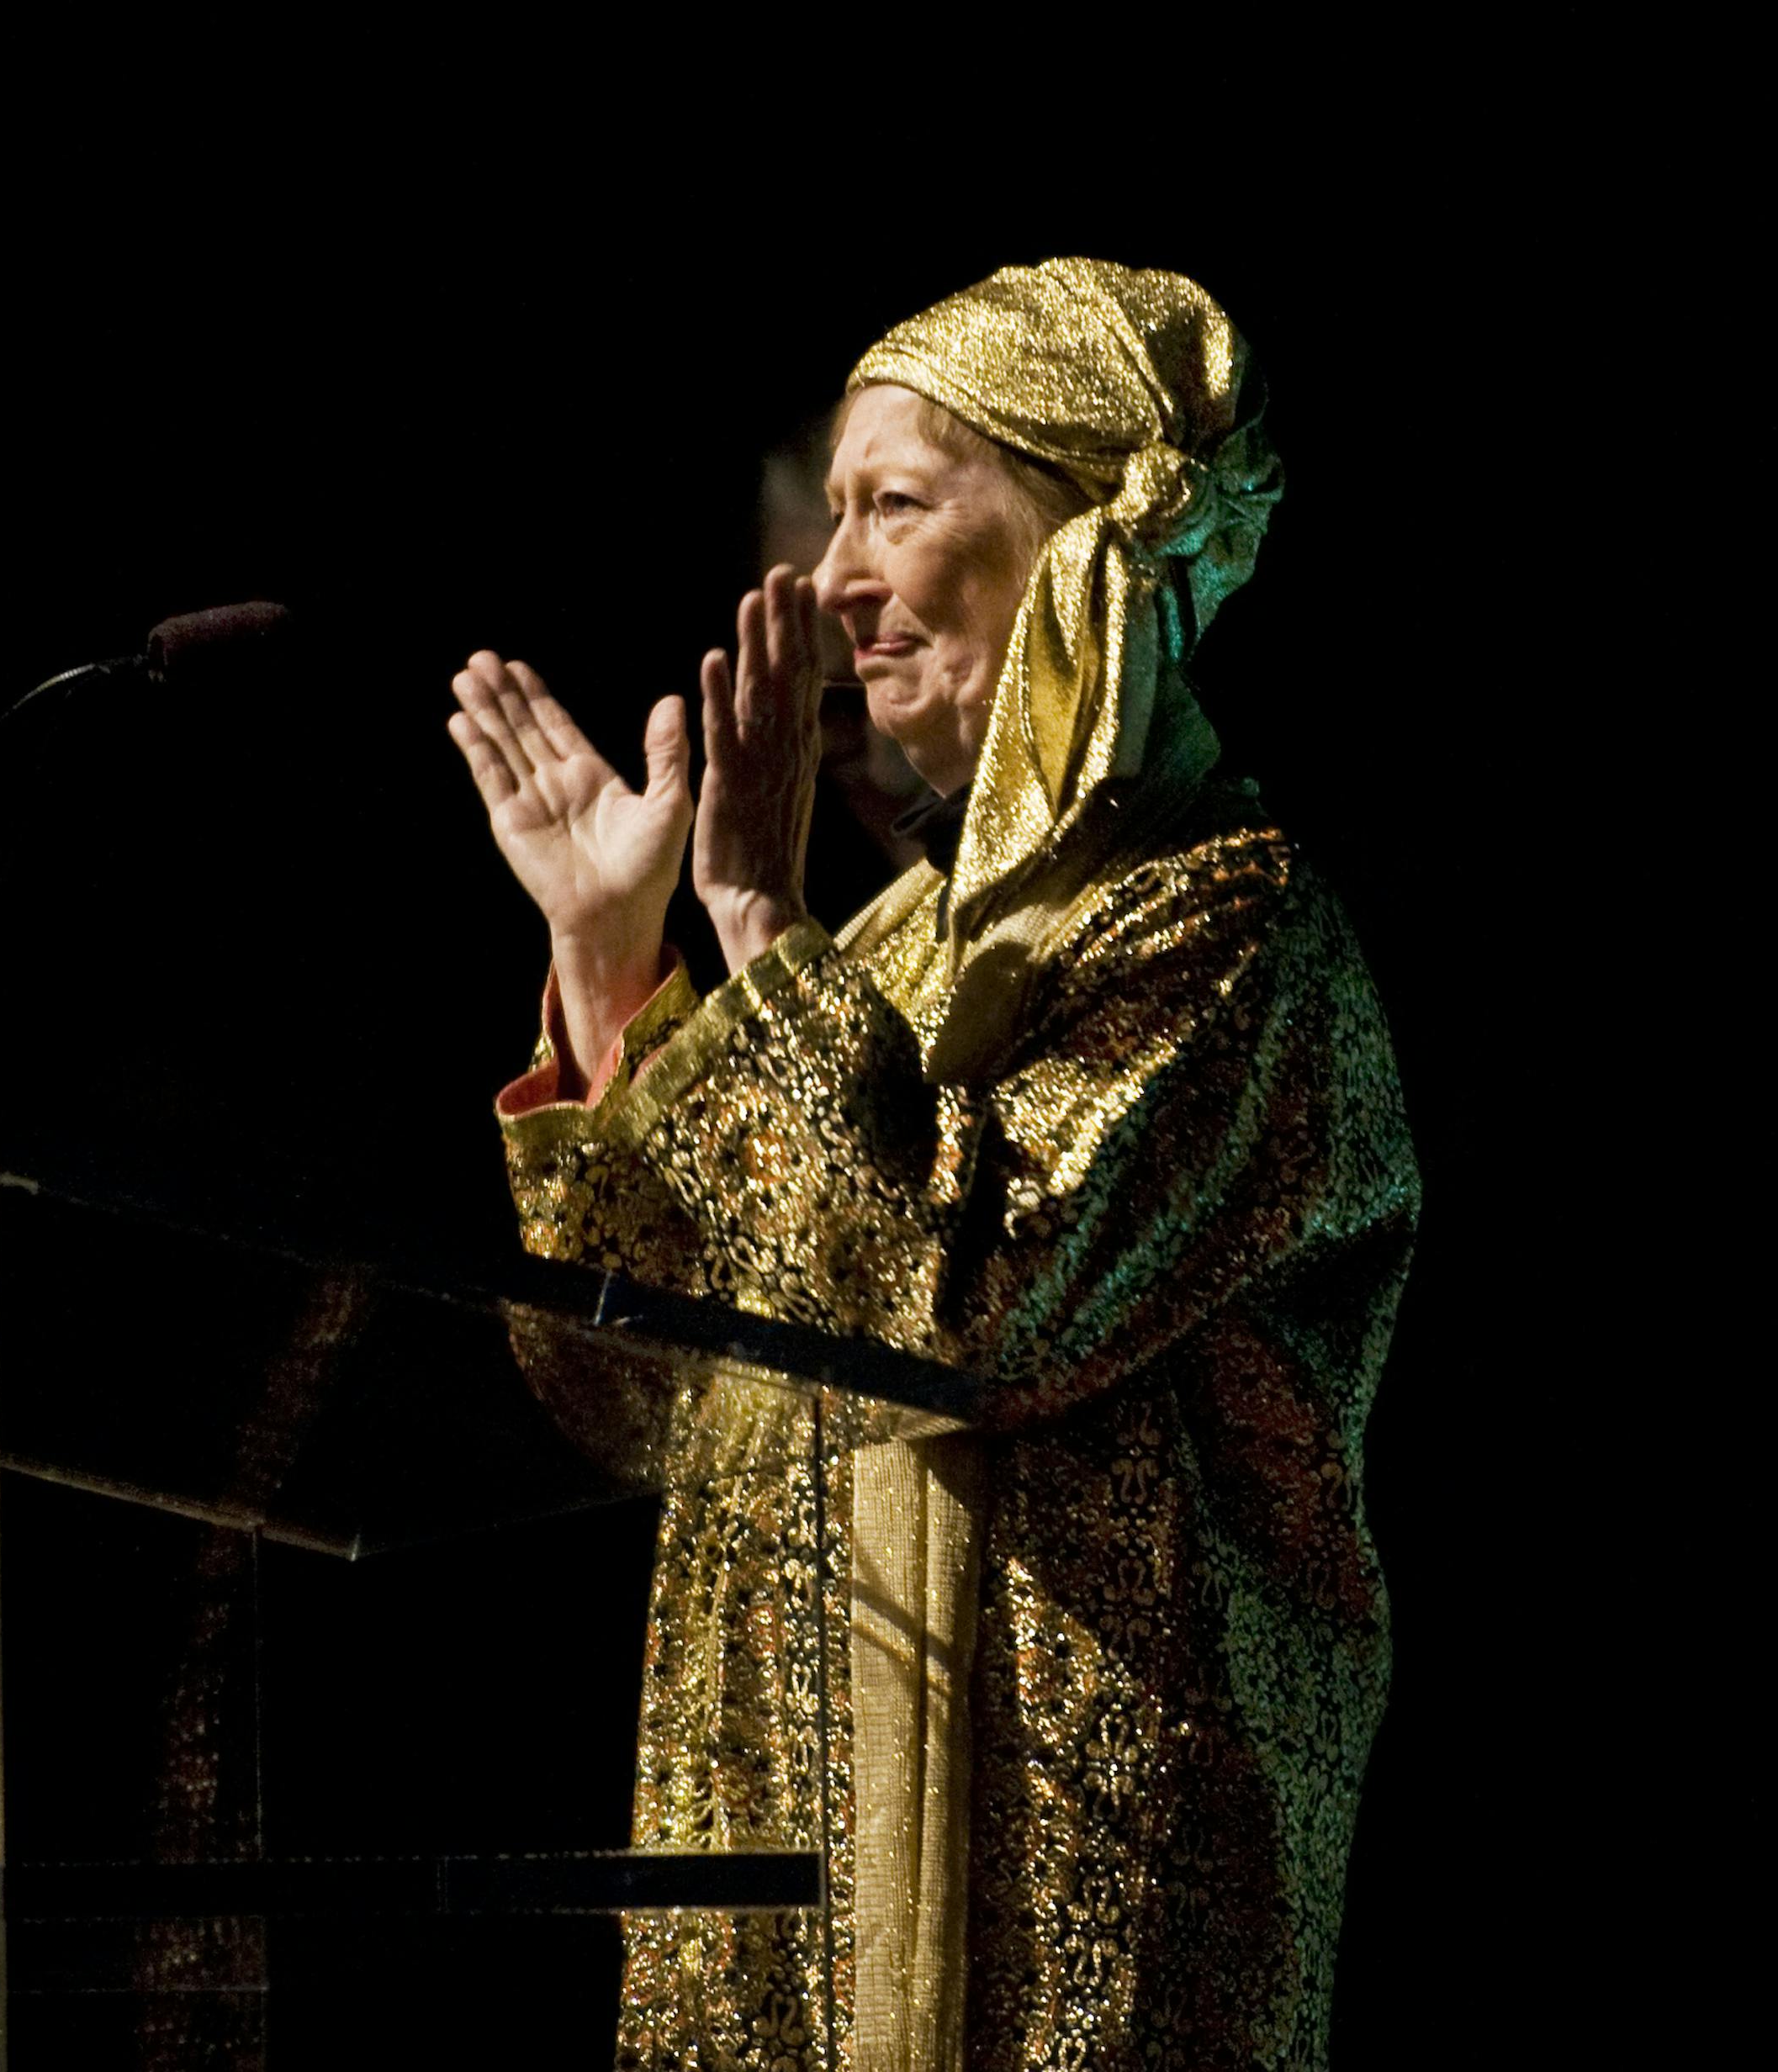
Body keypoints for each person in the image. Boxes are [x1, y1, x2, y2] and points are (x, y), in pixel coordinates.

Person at [447, 258, 1418, 2072]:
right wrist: (611, 967)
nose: (832, 584)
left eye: (892, 504)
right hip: (779, 1903)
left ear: (1073, 526)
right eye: (834, 518)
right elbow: (628, 1393)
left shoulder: (1232, 932)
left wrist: (751, 913)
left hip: (1076, 1924)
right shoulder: (878, 962)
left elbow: (967, 1310)